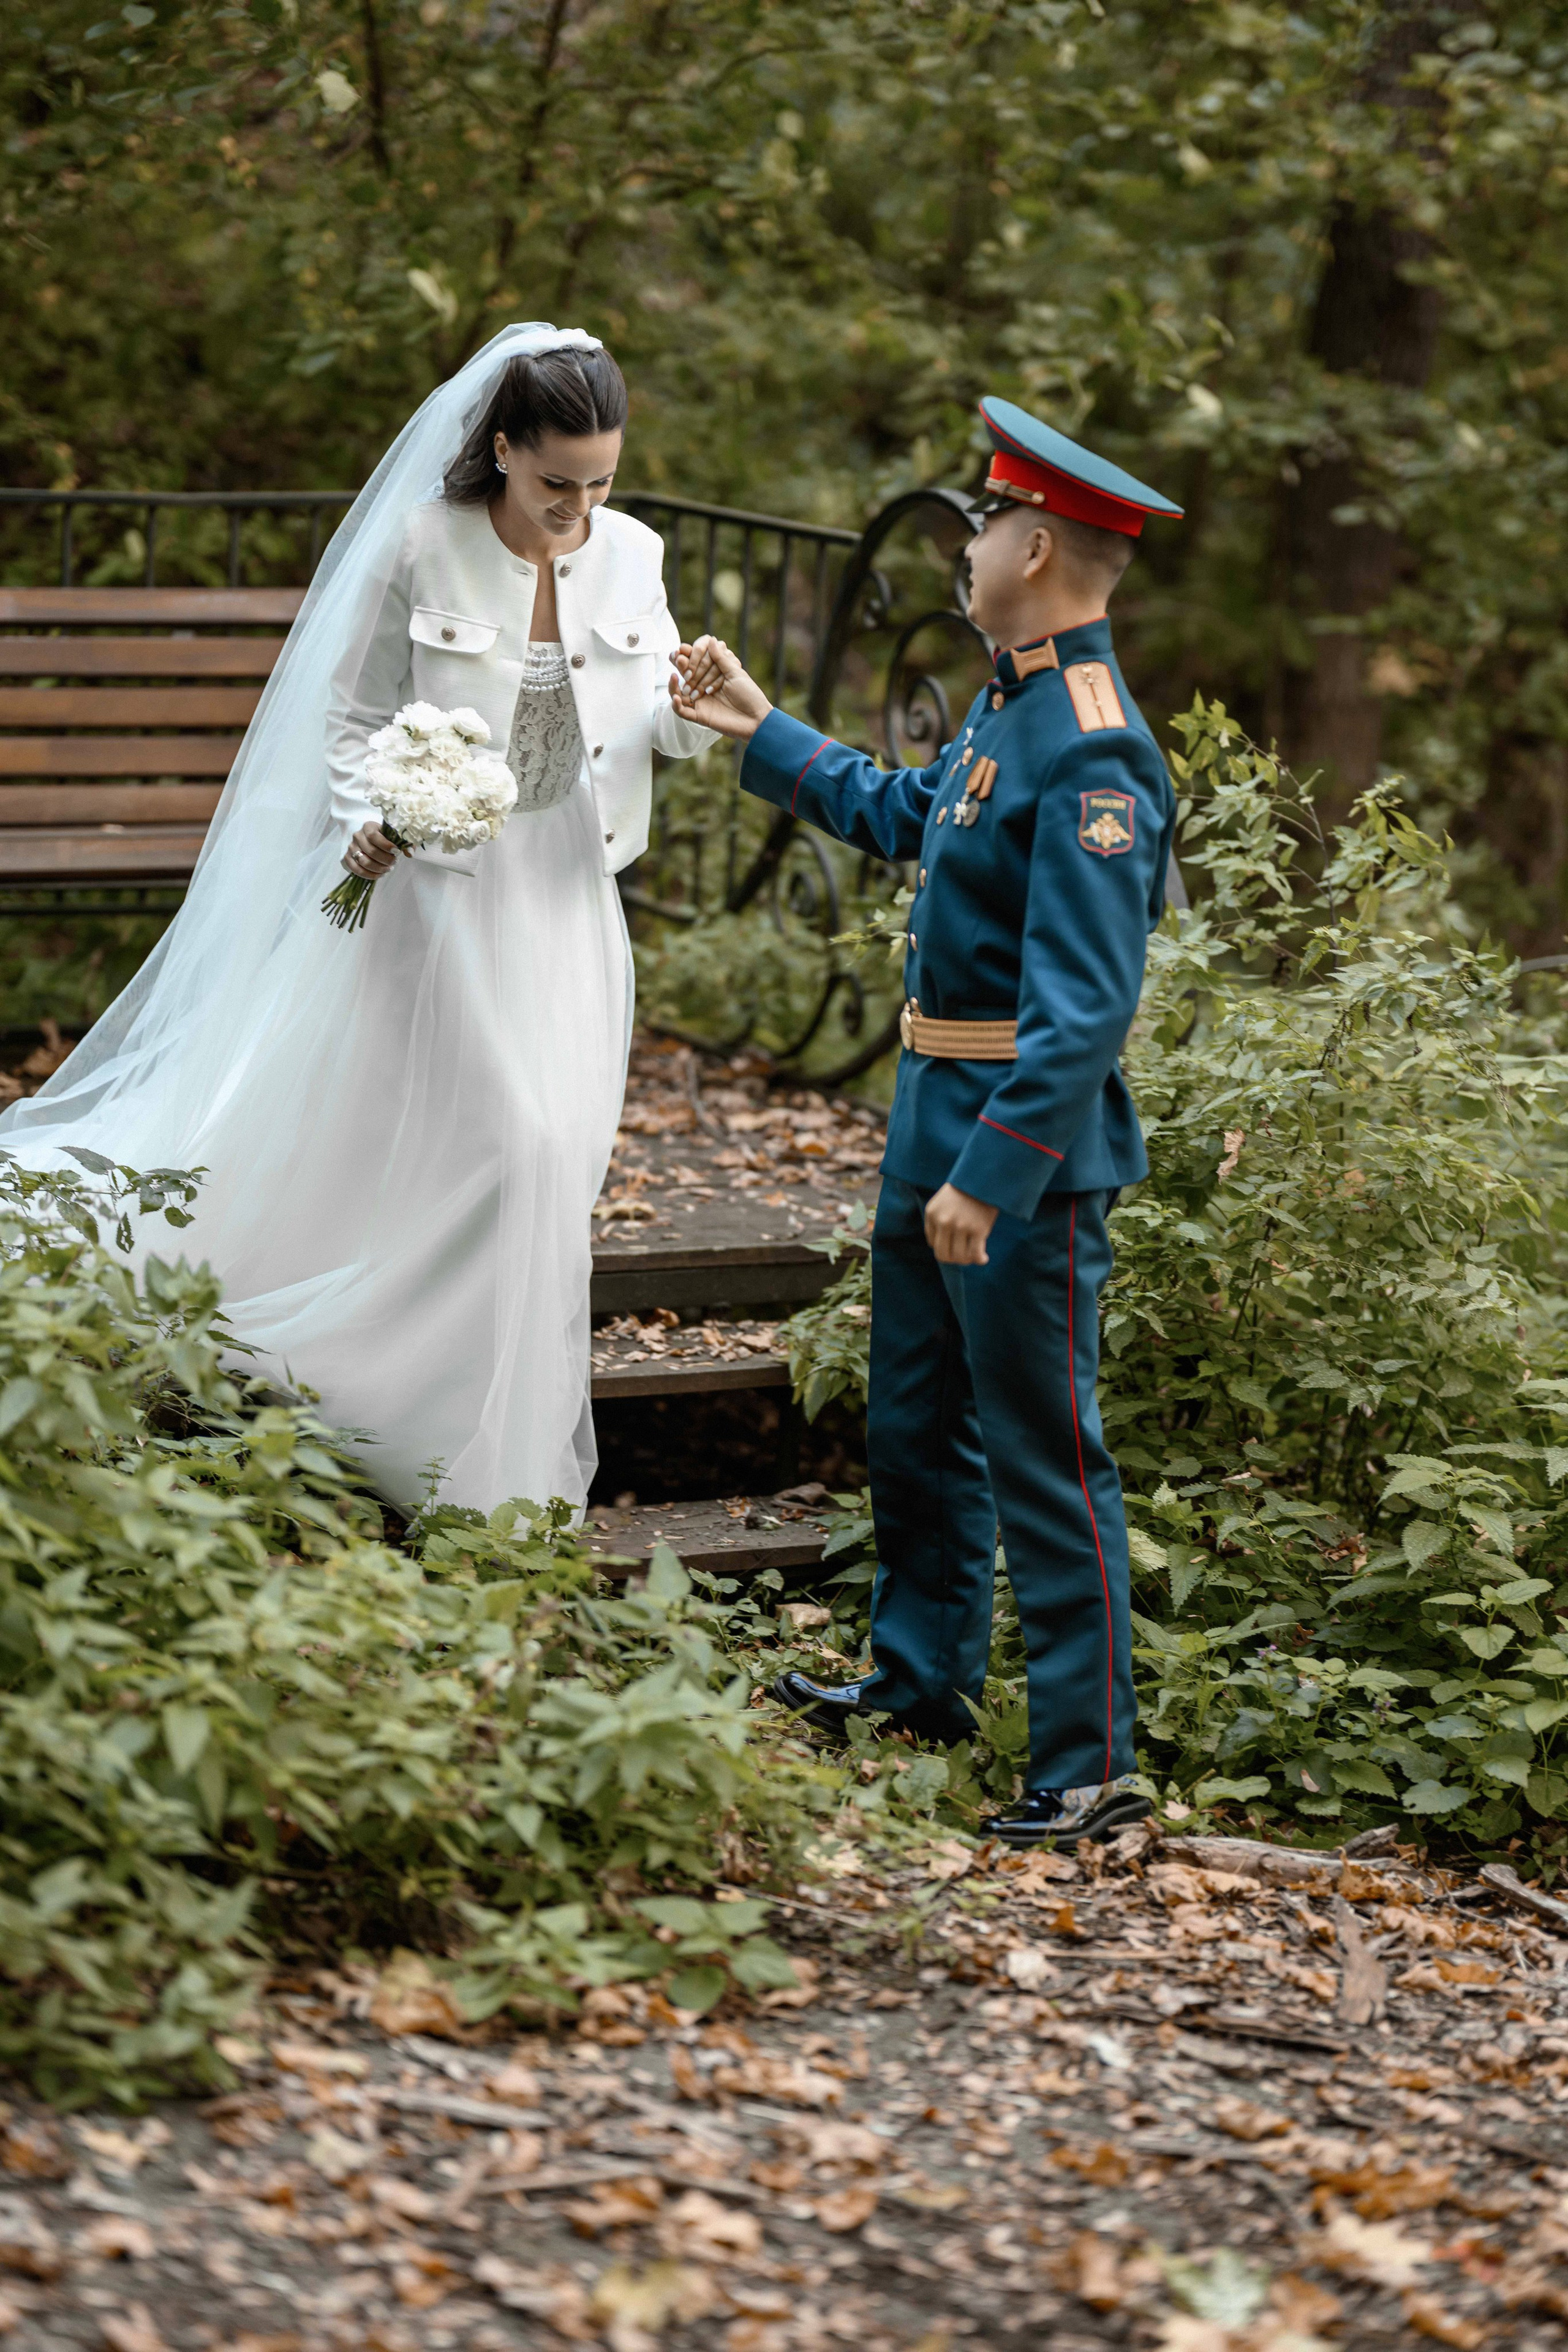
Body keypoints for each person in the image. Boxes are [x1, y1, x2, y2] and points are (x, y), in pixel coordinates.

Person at [1, 324, 714, 1513]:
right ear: (500, 450)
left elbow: (649, 728)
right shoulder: (419, 544)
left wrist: (696, 713)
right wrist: (379, 819)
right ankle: (472, 1454)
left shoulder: (633, 552)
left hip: (567, 898)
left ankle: (456, 1397)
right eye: (553, 484)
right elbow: (345, 719)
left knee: (547, 1153)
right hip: (436, 895)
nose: (574, 509)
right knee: (520, 1143)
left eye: (598, 482)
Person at [669, 398, 1182, 1846]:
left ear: (1031, 547)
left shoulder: (1094, 749)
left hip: (1016, 1149)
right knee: (914, 1422)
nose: (964, 552)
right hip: (930, 1111)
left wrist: (997, 1172)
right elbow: (913, 816)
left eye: (978, 531)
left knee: (1043, 1447)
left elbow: (1084, 1010)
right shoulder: (1009, 699)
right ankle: (918, 1685)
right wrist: (759, 730)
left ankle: (1088, 1767)